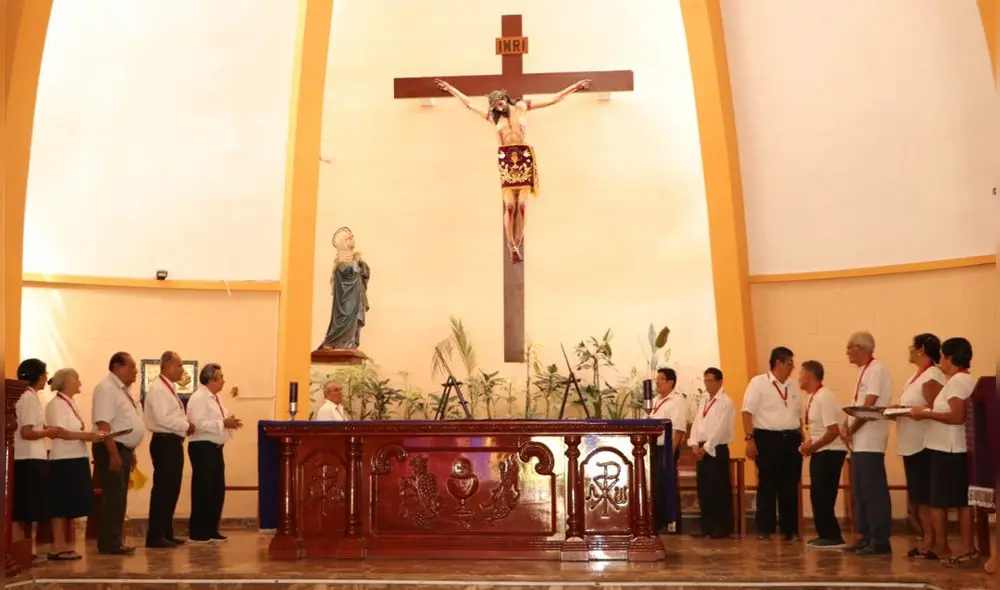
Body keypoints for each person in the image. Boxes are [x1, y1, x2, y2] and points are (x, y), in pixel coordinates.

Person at [434, 78, 591, 263]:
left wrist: (575, 86)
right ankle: (511, 244)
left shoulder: (522, 107)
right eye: (495, 105)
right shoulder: (493, 117)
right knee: (509, 205)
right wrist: (451, 89)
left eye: (500, 103)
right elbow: (469, 104)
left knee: (522, 205)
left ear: (505, 98)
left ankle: (518, 241)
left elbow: (553, 99)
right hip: (506, 159)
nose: (498, 107)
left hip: (523, 156)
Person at [910, 337, 978, 566]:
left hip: (950, 448)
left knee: (948, 501)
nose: (940, 361)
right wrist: (928, 410)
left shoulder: (959, 381)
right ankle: (947, 546)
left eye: (942, 356)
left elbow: (958, 417)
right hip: (944, 447)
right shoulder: (957, 380)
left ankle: (958, 547)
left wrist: (926, 414)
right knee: (951, 500)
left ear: (949, 357)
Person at [892, 333, 945, 558]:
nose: (910, 350)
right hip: (911, 444)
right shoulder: (916, 376)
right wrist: (898, 409)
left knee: (924, 497)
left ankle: (932, 541)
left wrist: (917, 413)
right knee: (918, 497)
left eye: (912, 346)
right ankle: (927, 539)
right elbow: (914, 405)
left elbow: (937, 409)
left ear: (921, 349)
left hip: (923, 444)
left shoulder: (932, 375)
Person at [742, 346, 802, 541]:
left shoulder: (793, 386)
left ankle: (789, 529)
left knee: (790, 485)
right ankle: (764, 529)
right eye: (790, 363)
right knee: (768, 484)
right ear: (779, 362)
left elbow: (798, 415)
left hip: (791, 439)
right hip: (768, 439)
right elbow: (747, 412)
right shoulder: (758, 383)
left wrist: (801, 436)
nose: (793, 367)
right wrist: (750, 439)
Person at [45, 368, 105, 560]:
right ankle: (57, 545)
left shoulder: (71, 403)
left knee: (70, 502)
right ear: (68, 381)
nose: (80, 383)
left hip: (76, 457)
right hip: (63, 459)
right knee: (60, 503)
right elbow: (60, 432)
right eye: (76, 379)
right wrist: (87, 436)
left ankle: (64, 545)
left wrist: (90, 436)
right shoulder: (55, 404)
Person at [842, 331, 893, 556]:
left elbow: (869, 405)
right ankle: (866, 535)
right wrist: (847, 427)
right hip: (860, 440)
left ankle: (880, 539)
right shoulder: (864, 371)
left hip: (870, 439)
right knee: (861, 492)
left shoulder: (877, 369)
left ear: (861, 348)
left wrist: (851, 429)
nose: (847, 352)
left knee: (873, 491)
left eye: (850, 347)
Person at [92, 351, 146, 555]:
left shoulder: (123, 390)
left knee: (120, 496)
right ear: (117, 367)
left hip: (122, 448)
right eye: (131, 367)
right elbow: (104, 423)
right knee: (114, 496)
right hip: (110, 448)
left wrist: (130, 452)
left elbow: (125, 423)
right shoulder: (106, 388)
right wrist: (114, 455)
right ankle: (109, 543)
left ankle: (115, 540)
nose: (135, 371)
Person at [187, 363, 243, 542]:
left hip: (215, 448)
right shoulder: (199, 398)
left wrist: (230, 423)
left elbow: (218, 420)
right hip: (202, 447)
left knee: (216, 489)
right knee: (203, 489)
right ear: (210, 380)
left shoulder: (214, 398)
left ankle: (211, 529)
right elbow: (197, 425)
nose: (224, 381)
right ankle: (198, 532)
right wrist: (223, 424)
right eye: (221, 377)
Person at [143, 350, 193, 548]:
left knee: (172, 489)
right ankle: (155, 536)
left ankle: (166, 532)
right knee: (163, 489)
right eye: (180, 365)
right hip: (164, 442)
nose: (182, 369)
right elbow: (163, 419)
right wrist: (186, 426)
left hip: (172, 441)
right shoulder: (158, 389)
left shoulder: (168, 387)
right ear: (168, 366)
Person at [797, 360, 847, 549]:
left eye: (801, 375)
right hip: (821, 450)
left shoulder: (824, 397)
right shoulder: (813, 397)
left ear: (809, 376)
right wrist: (810, 443)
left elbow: (833, 431)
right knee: (818, 495)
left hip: (830, 452)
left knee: (823, 495)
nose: (798, 379)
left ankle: (832, 536)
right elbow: (820, 430)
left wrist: (813, 447)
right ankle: (825, 533)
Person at [13, 358, 57, 564]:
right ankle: (21, 553)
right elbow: (27, 431)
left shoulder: (22, 396)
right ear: (40, 377)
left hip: (26, 457)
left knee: (24, 509)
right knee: (25, 510)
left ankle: (22, 552)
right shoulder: (28, 398)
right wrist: (48, 431)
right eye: (45, 374)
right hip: (29, 457)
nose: (46, 378)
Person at [688, 367, 734, 538]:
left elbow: (720, 428)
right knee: (704, 488)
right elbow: (697, 422)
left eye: (710, 380)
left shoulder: (725, 402)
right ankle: (706, 525)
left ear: (719, 381)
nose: (707, 384)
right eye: (705, 380)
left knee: (718, 488)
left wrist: (706, 447)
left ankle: (721, 526)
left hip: (716, 449)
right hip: (702, 449)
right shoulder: (704, 400)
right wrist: (693, 443)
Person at [649, 367, 687, 533]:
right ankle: (658, 521)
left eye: (661, 379)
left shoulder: (677, 401)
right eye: (657, 379)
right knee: (656, 485)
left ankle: (672, 522)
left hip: (667, 448)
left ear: (671, 382)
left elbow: (679, 429)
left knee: (667, 485)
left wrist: (670, 453)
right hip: (654, 448)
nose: (657, 382)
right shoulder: (656, 401)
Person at [319, 227, 370, 350]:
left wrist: (361, 262)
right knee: (345, 318)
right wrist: (356, 262)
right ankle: (334, 342)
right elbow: (348, 273)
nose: (353, 240)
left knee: (353, 321)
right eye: (349, 238)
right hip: (346, 300)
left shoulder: (352, 260)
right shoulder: (341, 261)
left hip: (355, 297)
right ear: (344, 243)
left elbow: (364, 273)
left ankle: (350, 342)